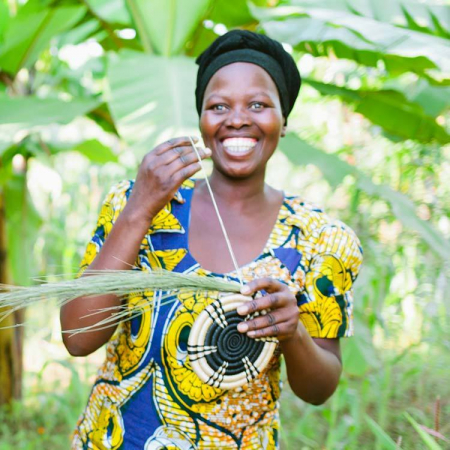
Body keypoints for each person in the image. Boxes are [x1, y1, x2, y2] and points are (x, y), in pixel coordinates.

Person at [61, 30, 363, 449]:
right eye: (218, 106)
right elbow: (78, 338)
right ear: (201, 120)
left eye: (258, 105)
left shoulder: (321, 240)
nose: (237, 118)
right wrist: (139, 209)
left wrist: (293, 334)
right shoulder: (139, 204)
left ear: (284, 119)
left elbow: (319, 389)